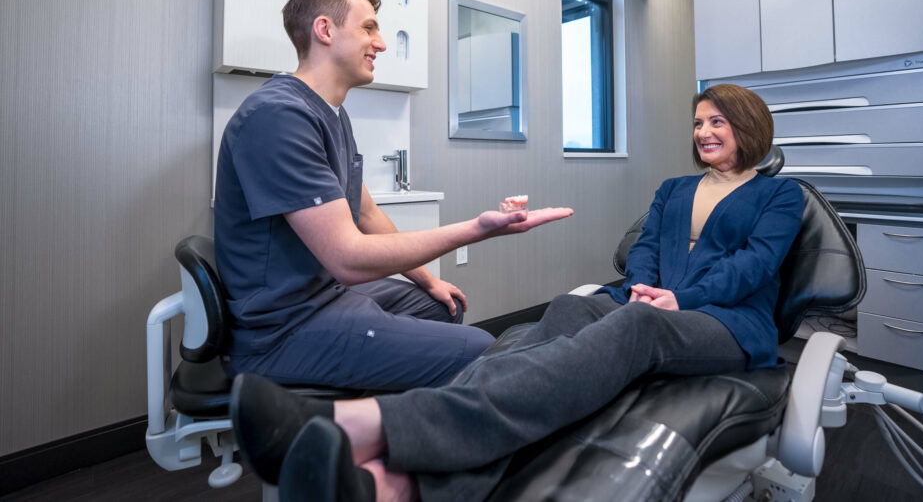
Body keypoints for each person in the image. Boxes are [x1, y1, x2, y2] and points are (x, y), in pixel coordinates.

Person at [229, 83, 805, 502]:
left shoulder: (780, 196)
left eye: (717, 123)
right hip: (649, 297)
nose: (703, 132)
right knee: (567, 307)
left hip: (725, 321)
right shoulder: (674, 187)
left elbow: (754, 266)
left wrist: (679, 300)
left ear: (747, 129)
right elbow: (645, 249)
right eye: (699, 122)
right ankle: (395, 483)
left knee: (636, 326)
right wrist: (644, 285)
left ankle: (368, 423)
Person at [214, 0, 573, 409]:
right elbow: (347, 258)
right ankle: (381, 441)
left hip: (325, 297)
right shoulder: (278, 116)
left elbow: (366, 214)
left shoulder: (332, 115)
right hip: (281, 328)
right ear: (325, 31)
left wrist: (428, 278)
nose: (381, 44)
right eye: (368, 28)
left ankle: (384, 414)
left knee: (446, 307)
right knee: (480, 348)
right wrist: (477, 229)